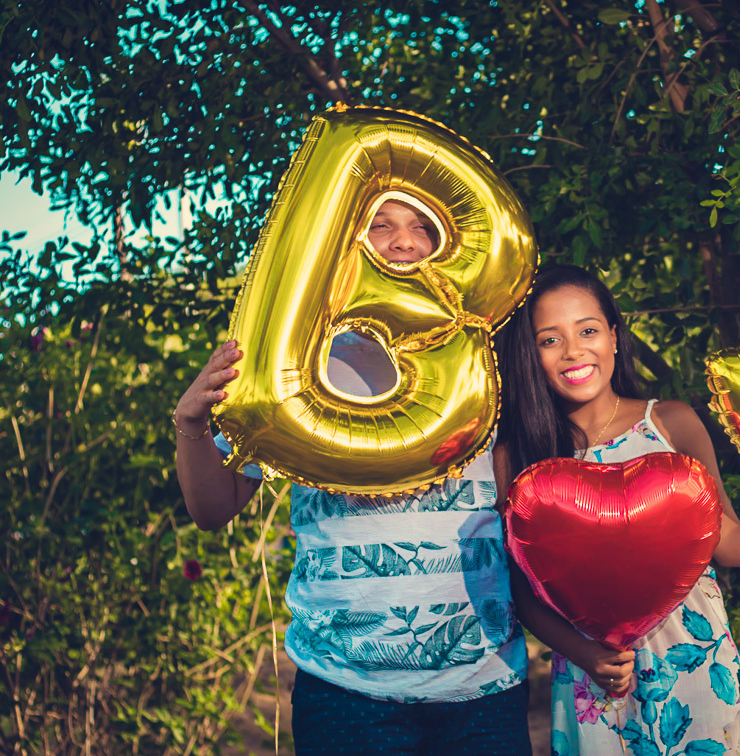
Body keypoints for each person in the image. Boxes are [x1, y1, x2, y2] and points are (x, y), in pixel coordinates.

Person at [174, 199, 532, 756]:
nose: (403, 241)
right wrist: (191, 425)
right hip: (345, 692)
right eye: (380, 226)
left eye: (423, 227)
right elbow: (212, 509)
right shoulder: (299, 361)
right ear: (343, 243)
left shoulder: (491, 360)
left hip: (484, 688)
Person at [494, 265, 740, 756]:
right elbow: (522, 590)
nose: (573, 351)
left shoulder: (670, 423)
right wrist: (586, 654)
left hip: (698, 665)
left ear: (614, 337)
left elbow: (726, 540)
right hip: (597, 684)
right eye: (550, 340)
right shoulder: (519, 457)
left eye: (587, 331)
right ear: (531, 355)